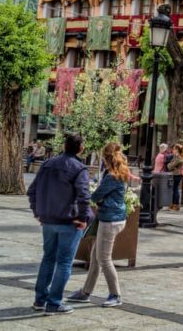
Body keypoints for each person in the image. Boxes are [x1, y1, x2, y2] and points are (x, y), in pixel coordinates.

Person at [27, 132, 92, 315]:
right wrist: (83, 218)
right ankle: (54, 303)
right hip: (69, 221)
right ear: (81, 148)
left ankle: (40, 300)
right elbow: (84, 196)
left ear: (64, 146)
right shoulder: (79, 168)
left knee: (48, 259)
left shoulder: (47, 164)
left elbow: (32, 191)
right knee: (64, 262)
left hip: (48, 219)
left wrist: (38, 212)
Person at [66, 143, 130, 308]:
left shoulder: (111, 176)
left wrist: (97, 197)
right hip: (114, 217)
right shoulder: (120, 172)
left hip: (110, 220)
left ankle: (115, 294)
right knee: (95, 257)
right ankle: (85, 292)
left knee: (104, 259)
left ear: (105, 157)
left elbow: (95, 196)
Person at [166, 143, 183, 211]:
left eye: (174, 149)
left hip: (177, 175)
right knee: (174, 190)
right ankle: (173, 204)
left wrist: (170, 165)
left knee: (175, 190)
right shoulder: (176, 157)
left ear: (177, 150)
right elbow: (170, 165)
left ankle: (175, 205)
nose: (173, 150)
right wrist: (170, 165)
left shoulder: (179, 158)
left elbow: (169, 166)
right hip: (175, 174)